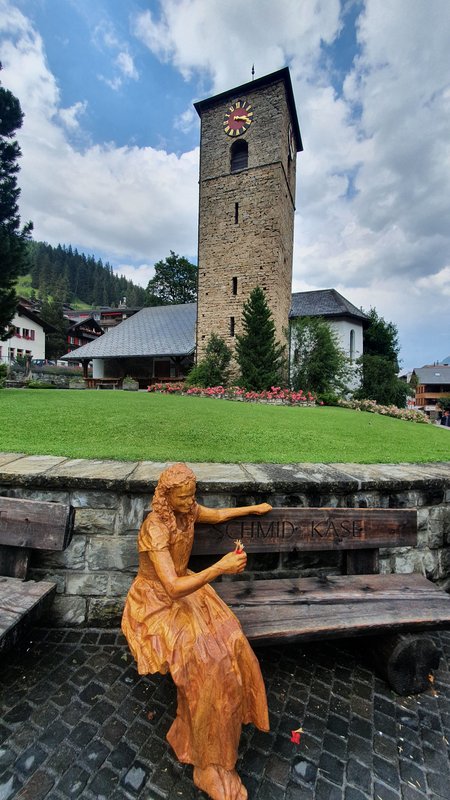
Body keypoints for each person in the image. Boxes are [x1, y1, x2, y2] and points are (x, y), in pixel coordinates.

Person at [122, 463, 271, 800]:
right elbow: (172, 587)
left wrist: (253, 507)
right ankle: (208, 764)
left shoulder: (186, 512)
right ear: (166, 496)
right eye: (184, 498)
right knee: (206, 660)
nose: (191, 503)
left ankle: (215, 740)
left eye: (192, 497)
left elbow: (216, 515)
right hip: (156, 603)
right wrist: (220, 567)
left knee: (233, 641)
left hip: (189, 591)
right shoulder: (155, 528)